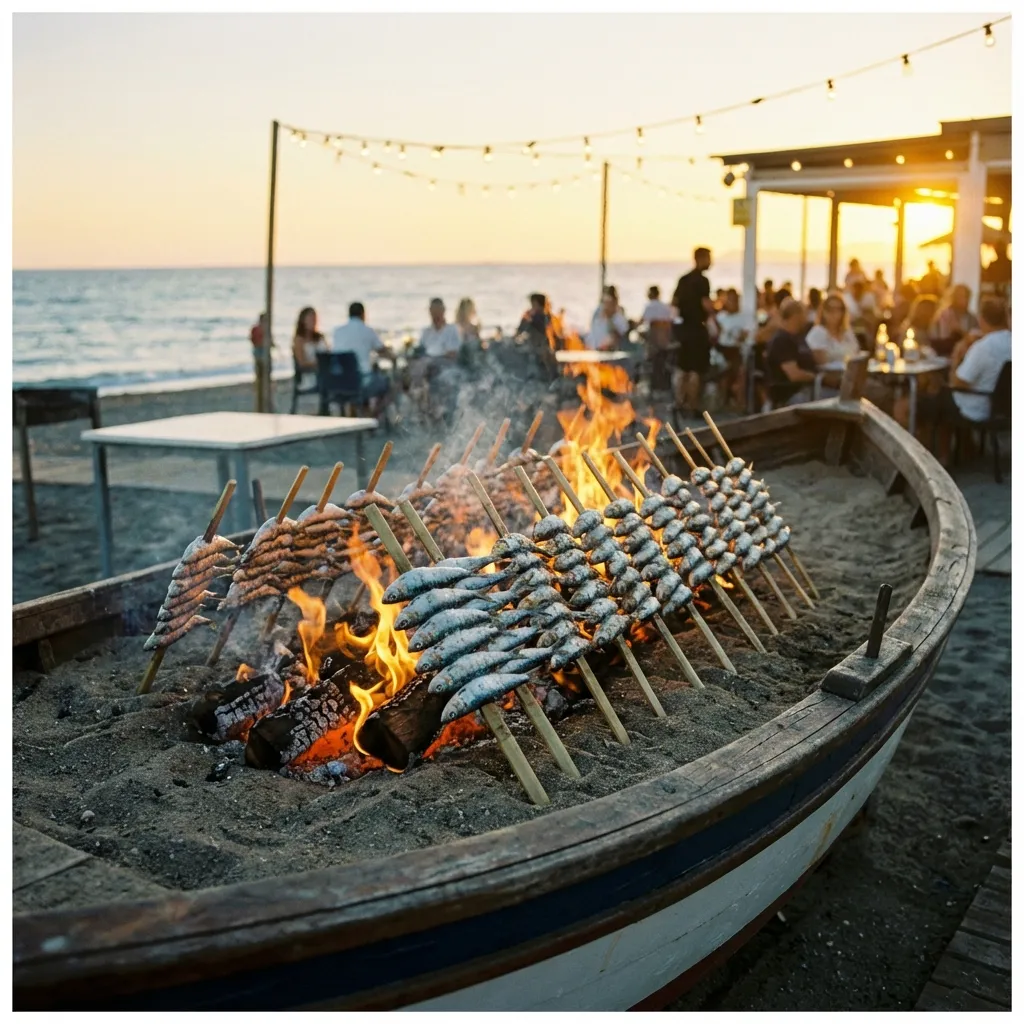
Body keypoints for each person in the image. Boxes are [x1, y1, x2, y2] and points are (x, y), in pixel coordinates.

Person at [917, 297, 1011, 457]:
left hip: (979, 407)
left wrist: (957, 356)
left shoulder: (983, 347)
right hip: (1006, 408)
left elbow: (958, 382)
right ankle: (967, 447)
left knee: (932, 399)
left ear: (981, 319)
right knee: (942, 396)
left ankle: (942, 456)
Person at [671, 247, 715, 416]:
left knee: (683, 368)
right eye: (709, 258)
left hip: (683, 330)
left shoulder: (683, 280)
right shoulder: (702, 281)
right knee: (696, 369)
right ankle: (692, 405)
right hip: (697, 328)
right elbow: (706, 304)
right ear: (700, 259)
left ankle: (680, 402)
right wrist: (715, 314)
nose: (711, 262)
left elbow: (674, 303)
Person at [332, 302, 390, 413]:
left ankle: (356, 411)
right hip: (361, 381)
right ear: (363, 315)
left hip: (340, 381)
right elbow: (382, 351)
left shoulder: (337, 332)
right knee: (385, 383)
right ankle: (373, 415)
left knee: (362, 374)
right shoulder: (367, 331)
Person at [765, 299, 820, 407]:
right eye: (804, 314)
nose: (806, 318)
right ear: (796, 316)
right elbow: (794, 375)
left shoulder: (799, 336)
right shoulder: (781, 340)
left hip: (808, 388)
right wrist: (818, 377)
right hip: (791, 394)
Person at [714, 288, 753, 409]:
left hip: (737, 350)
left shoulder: (744, 317)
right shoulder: (720, 317)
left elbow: (745, 335)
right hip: (721, 350)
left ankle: (738, 401)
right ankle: (723, 400)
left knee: (739, 369)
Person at [805, 295, 860, 365]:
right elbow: (821, 363)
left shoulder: (847, 332)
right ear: (823, 311)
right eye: (830, 309)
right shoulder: (818, 332)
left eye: (839, 309)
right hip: (830, 374)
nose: (834, 313)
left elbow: (857, 354)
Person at [641, 285, 675, 390]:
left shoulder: (649, 307)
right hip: (666, 341)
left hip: (654, 344)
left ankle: (652, 383)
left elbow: (643, 323)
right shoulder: (665, 307)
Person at [933, 285, 979, 356]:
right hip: (945, 354)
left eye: (967, 296)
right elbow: (941, 338)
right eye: (961, 296)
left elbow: (975, 339)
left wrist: (960, 331)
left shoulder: (972, 318)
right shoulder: (945, 315)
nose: (965, 299)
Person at [292, 307, 328, 372]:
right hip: (309, 372)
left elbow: (328, 353)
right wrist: (318, 364)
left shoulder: (320, 337)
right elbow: (301, 363)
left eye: (314, 319)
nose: (313, 322)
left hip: (323, 371)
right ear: (303, 321)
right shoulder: (299, 340)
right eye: (310, 319)